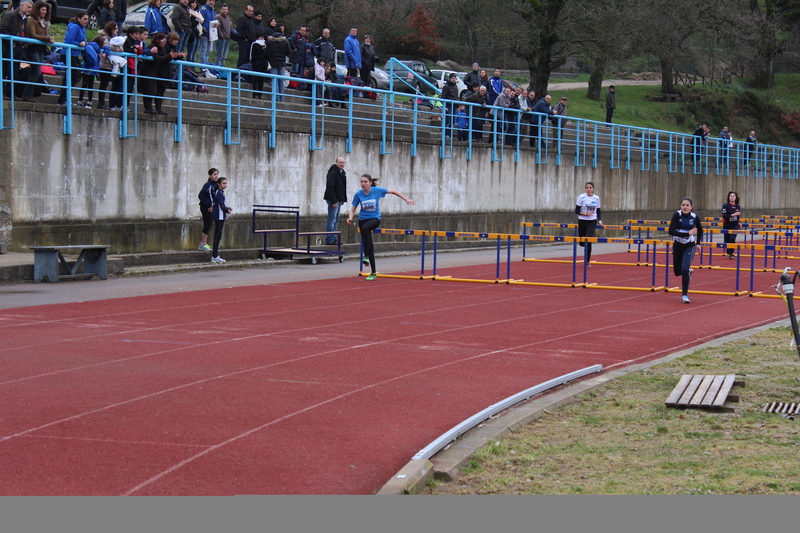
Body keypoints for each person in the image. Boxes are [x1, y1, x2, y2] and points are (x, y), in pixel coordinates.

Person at [347, 174, 415, 281]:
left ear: (370, 183)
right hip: (362, 219)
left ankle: (366, 257)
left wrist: (406, 199)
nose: (363, 184)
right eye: (361, 182)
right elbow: (353, 209)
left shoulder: (377, 191)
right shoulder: (358, 194)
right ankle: (373, 272)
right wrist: (350, 218)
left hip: (374, 219)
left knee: (365, 229)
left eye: (365, 182)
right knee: (369, 245)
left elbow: (393, 191)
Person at [668, 197, 703, 304]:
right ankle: (688, 272)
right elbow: (671, 231)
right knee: (677, 272)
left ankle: (684, 295)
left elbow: (700, 229)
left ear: (691, 207)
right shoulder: (677, 215)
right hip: (678, 245)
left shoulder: (694, 217)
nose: (685, 207)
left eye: (687, 205)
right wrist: (686, 234)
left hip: (689, 245)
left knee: (684, 268)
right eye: (683, 205)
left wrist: (698, 243)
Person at [0, 0, 33, 100]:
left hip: (19, 47)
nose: (30, 9)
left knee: (14, 71)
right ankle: (3, 93)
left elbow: (26, 32)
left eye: (31, 7)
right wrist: (12, 42)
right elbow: (2, 29)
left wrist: (24, 45)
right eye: (28, 7)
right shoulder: (10, 15)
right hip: (9, 46)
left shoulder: (25, 19)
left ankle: (9, 93)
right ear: (22, 5)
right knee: (5, 70)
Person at [139, 31, 178, 115]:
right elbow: (158, 58)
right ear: (158, 40)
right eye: (163, 41)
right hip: (149, 71)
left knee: (154, 91)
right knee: (148, 91)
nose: (164, 43)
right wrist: (170, 56)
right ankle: (148, 108)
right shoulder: (153, 47)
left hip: (155, 72)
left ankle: (156, 109)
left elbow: (164, 57)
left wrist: (175, 56)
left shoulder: (161, 48)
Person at [56, 11, 89, 106]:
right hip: (68, 54)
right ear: (79, 19)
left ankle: (64, 99)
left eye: (87, 19)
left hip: (74, 55)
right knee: (72, 75)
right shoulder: (74, 27)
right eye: (84, 19)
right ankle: (62, 99)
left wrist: (84, 43)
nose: (86, 21)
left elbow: (84, 40)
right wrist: (78, 44)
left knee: (76, 76)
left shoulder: (82, 28)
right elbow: (68, 40)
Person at [575, 181, 603, 265]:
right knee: (582, 242)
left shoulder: (596, 198)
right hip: (582, 220)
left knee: (588, 239)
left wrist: (600, 221)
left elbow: (598, 211)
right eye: (587, 188)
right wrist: (585, 214)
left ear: (593, 189)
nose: (588, 189)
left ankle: (587, 261)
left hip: (592, 221)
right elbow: (576, 211)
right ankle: (584, 246)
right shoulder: (581, 197)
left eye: (590, 188)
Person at [323, 157, 347, 245]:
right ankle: (329, 238)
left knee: (336, 219)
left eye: (343, 162)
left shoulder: (342, 173)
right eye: (340, 162)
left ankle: (333, 237)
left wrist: (343, 198)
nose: (342, 164)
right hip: (333, 199)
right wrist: (333, 201)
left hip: (338, 199)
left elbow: (342, 187)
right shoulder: (333, 173)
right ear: (336, 162)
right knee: (332, 219)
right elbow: (330, 187)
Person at [265, 27, 291, 102]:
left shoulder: (270, 41)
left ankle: (275, 97)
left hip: (273, 63)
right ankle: (281, 97)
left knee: (274, 80)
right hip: (282, 63)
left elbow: (266, 52)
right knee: (281, 81)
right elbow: (288, 53)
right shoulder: (285, 41)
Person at [211, 176, 232, 263]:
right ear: (219, 184)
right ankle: (215, 256)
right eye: (223, 183)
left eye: (226, 183)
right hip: (218, 216)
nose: (225, 185)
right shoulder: (219, 193)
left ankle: (215, 255)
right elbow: (221, 205)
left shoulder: (220, 192)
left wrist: (227, 208)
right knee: (217, 235)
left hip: (221, 215)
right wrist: (227, 209)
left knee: (218, 235)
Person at [198, 168, 219, 251]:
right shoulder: (208, 185)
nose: (216, 176)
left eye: (217, 174)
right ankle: (203, 244)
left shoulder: (216, 185)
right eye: (214, 174)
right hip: (206, 208)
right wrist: (208, 205)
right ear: (210, 175)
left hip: (213, 208)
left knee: (210, 224)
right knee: (207, 224)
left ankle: (204, 243)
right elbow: (201, 196)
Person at [721, 191, 741, 260]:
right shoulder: (725, 206)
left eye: (733, 196)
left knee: (732, 238)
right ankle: (728, 249)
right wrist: (733, 215)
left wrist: (739, 223)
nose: (732, 197)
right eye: (731, 196)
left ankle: (731, 253)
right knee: (727, 240)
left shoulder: (738, 206)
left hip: (734, 225)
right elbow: (724, 216)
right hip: (727, 225)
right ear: (729, 198)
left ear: (736, 198)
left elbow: (738, 217)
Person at [249, 32, 267, 99]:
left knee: (261, 80)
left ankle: (260, 94)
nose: (262, 39)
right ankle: (255, 94)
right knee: (256, 80)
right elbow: (254, 55)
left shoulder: (265, 45)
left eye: (263, 38)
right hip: (256, 64)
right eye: (260, 38)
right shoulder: (255, 44)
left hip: (263, 64)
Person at [198, 0, 215, 65]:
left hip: (211, 34)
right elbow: (199, 21)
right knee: (203, 51)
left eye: (213, 1)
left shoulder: (213, 11)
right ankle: (203, 67)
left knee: (208, 52)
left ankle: (206, 66)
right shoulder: (203, 9)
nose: (211, 2)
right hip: (204, 34)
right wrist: (201, 32)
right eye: (210, 0)